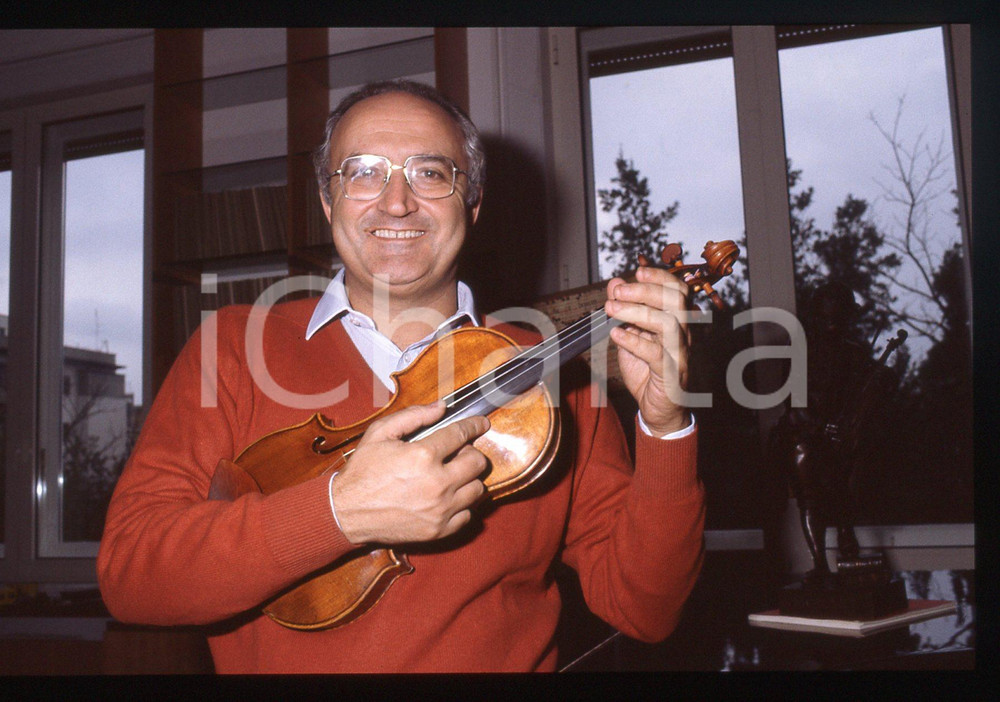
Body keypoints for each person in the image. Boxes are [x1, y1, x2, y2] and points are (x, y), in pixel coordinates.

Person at [97, 80, 705, 673]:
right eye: (363, 171)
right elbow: (132, 575)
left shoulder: (553, 379)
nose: (395, 202)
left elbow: (645, 609)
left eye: (430, 173)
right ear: (328, 201)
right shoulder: (231, 347)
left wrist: (666, 426)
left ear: (472, 202)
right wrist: (339, 512)